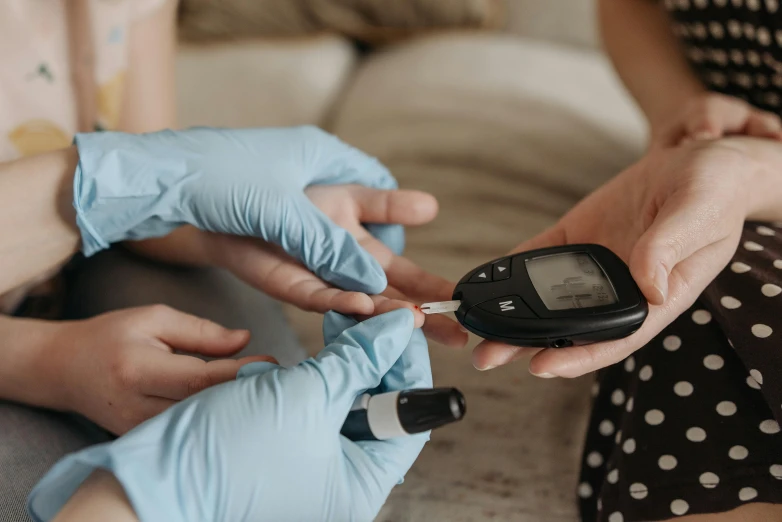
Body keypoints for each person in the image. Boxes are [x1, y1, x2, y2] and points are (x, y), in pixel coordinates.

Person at [0, 2, 465, 520]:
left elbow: (142, 169)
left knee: (271, 405)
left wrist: (216, 224)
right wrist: (43, 362)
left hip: (63, 266)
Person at [472, 1, 782, 521]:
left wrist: (748, 167)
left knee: (707, 293)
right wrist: (680, 112)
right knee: (685, 295)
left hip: (745, 173)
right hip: (710, 163)